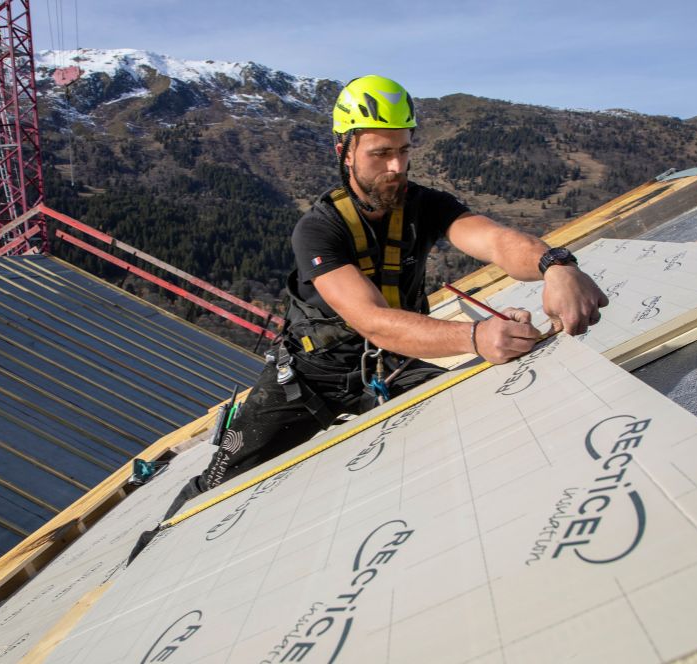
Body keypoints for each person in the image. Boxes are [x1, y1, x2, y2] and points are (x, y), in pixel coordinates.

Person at [133, 75, 607, 554]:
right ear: (345, 150)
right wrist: (478, 337)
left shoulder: (428, 206)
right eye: (381, 154)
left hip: (390, 365)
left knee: (487, 428)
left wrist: (554, 264)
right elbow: (371, 320)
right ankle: (150, 556)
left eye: (403, 150)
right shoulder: (318, 230)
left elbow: (495, 241)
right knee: (217, 484)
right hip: (310, 377)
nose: (396, 166)